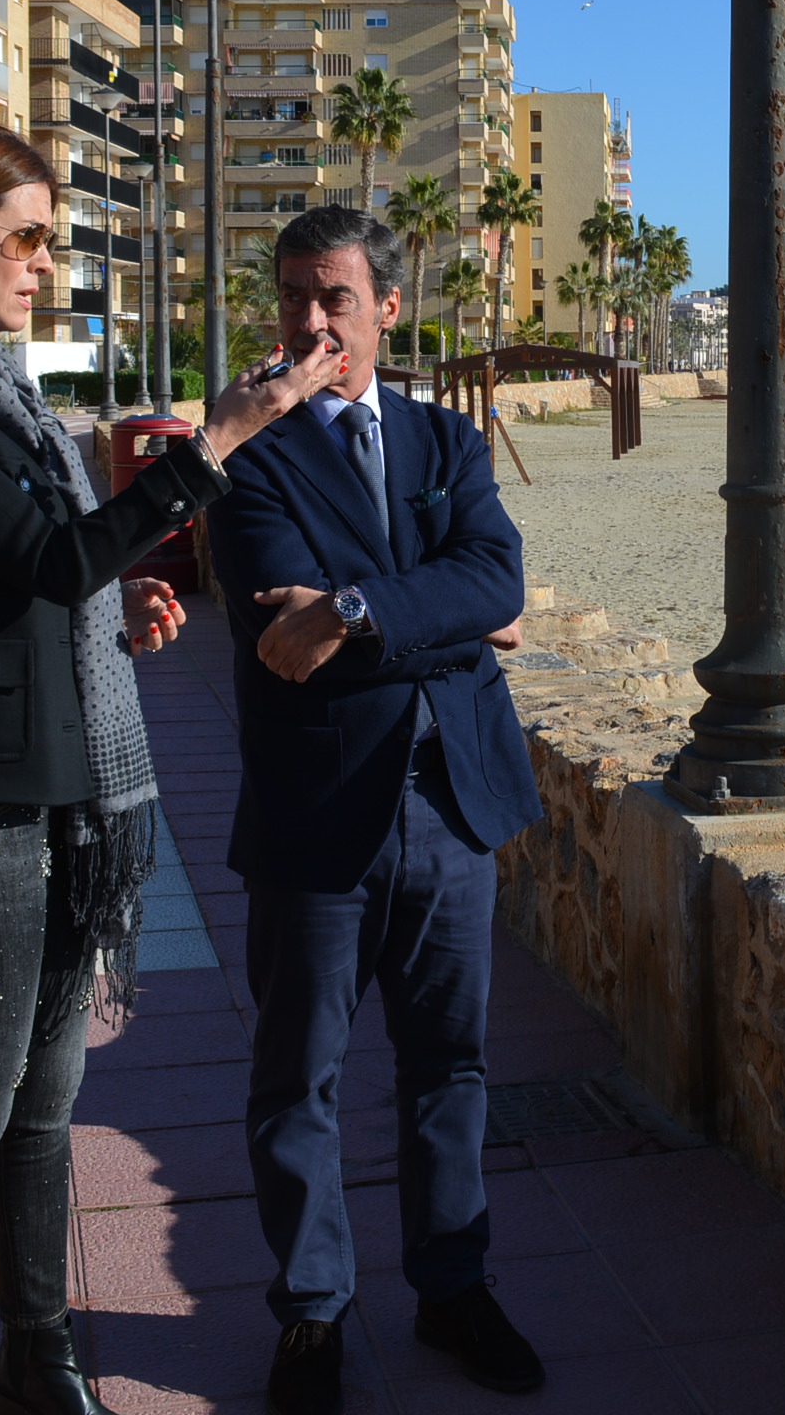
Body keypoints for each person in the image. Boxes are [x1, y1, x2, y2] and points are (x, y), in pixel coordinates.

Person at [0, 120, 342, 1415]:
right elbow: (47, 557)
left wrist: (112, 611)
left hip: (52, 798)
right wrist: (215, 442)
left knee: (41, 1110)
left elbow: (37, 577)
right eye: (26, 239)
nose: (45, 263)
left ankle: (38, 1362)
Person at [207, 204, 544, 1415]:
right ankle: (312, 1311)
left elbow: (498, 576)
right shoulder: (247, 455)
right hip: (319, 808)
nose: (310, 322)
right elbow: (275, 626)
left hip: (451, 802)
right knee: (297, 1075)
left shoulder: (447, 437)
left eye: (335, 297)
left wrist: (351, 609)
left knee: (449, 1065)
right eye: (294, 295)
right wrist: (450, 617)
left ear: (387, 308)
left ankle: (453, 1287)